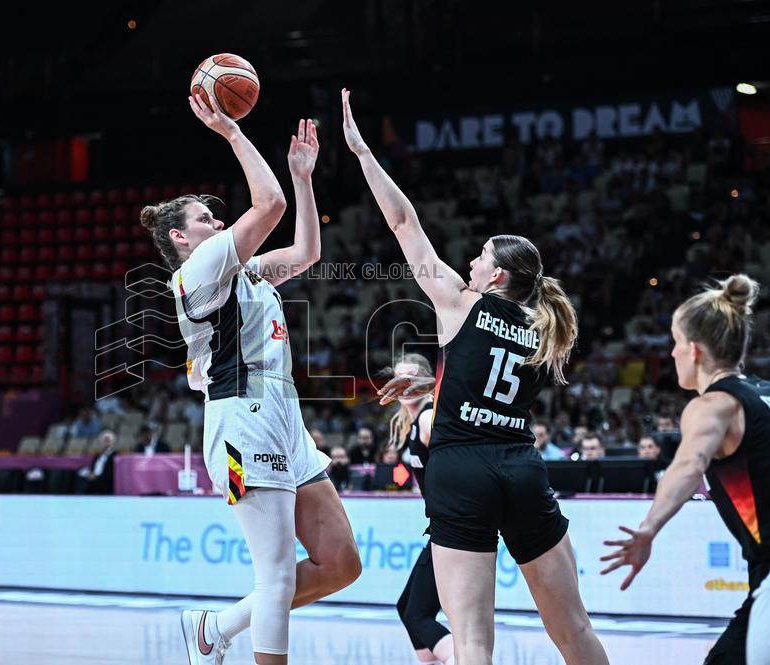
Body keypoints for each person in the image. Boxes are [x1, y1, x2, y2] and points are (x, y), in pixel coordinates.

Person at [345, 89, 608, 665]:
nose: (470, 261)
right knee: (575, 631)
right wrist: (434, 386)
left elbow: (401, 222)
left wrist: (364, 154)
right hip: (519, 464)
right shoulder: (544, 327)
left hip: (461, 467)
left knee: (472, 642)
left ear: (497, 276)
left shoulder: (460, 304)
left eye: (481, 256)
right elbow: (483, 373)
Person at [143, 97, 360, 664]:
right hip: (241, 419)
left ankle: (214, 628)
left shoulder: (247, 270)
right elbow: (269, 204)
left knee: (340, 563)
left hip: (283, 416)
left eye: (217, 218)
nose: (217, 222)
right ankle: (223, 635)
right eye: (205, 220)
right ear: (182, 240)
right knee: (277, 576)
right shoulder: (199, 271)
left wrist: (304, 180)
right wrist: (232, 132)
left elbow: (309, 252)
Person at [600, 275, 769, 664]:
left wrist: (647, 528)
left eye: (675, 343)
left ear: (693, 350)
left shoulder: (714, 404)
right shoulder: (763, 393)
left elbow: (689, 463)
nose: (672, 353)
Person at [386, 353, 454, 665]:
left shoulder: (428, 418)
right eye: (399, 378)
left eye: (412, 378)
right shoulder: (411, 424)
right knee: (407, 609)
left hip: (453, 527)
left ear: (426, 382)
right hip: (443, 526)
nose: (405, 384)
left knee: (417, 614)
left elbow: (458, 462)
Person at [86, 430, 117, 495]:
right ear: (101, 442)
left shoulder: (115, 455)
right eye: (104, 440)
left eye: (108, 440)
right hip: (94, 479)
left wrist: (97, 476)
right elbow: (93, 468)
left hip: (105, 480)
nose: (106, 443)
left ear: (112, 442)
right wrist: (91, 474)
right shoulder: (97, 455)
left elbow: (111, 472)